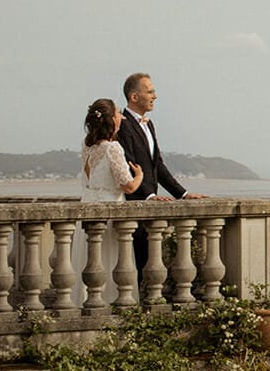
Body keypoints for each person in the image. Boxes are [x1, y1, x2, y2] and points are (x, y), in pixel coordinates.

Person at [117, 72, 205, 276]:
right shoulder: (123, 125)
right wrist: (149, 195)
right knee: (134, 261)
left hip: (148, 204)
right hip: (133, 202)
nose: (155, 96)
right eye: (150, 91)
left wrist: (182, 193)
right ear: (134, 97)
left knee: (147, 259)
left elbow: (157, 165)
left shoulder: (149, 124)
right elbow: (129, 165)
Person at [81, 98, 143, 201]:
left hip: (87, 204)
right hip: (108, 207)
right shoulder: (112, 148)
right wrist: (139, 175)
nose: (122, 117)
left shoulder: (85, 146)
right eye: (118, 113)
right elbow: (129, 187)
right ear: (113, 119)